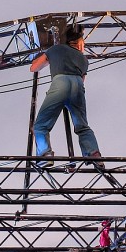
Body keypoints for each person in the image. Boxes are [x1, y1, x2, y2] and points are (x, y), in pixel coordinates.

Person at [30, 22, 102, 161]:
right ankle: (93, 153)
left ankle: (45, 154)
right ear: (79, 42)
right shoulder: (84, 59)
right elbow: (82, 79)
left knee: (40, 125)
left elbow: (34, 68)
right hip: (78, 86)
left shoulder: (56, 49)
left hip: (61, 82)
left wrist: (47, 57)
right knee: (82, 125)